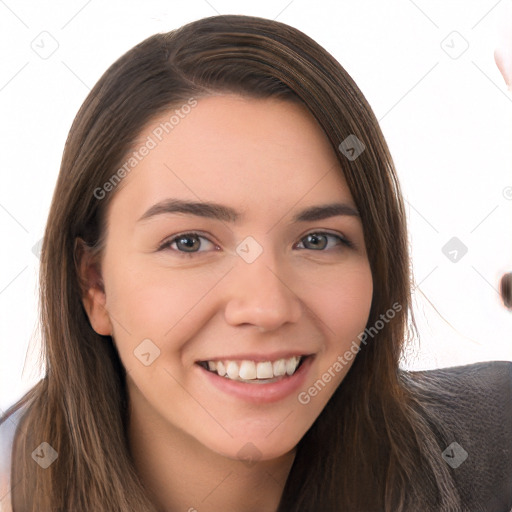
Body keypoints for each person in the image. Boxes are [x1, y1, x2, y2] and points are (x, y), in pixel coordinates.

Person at [0, 14, 510, 512]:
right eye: (189, 243)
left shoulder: (488, 447)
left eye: (317, 240)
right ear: (95, 286)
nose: (266, 308)